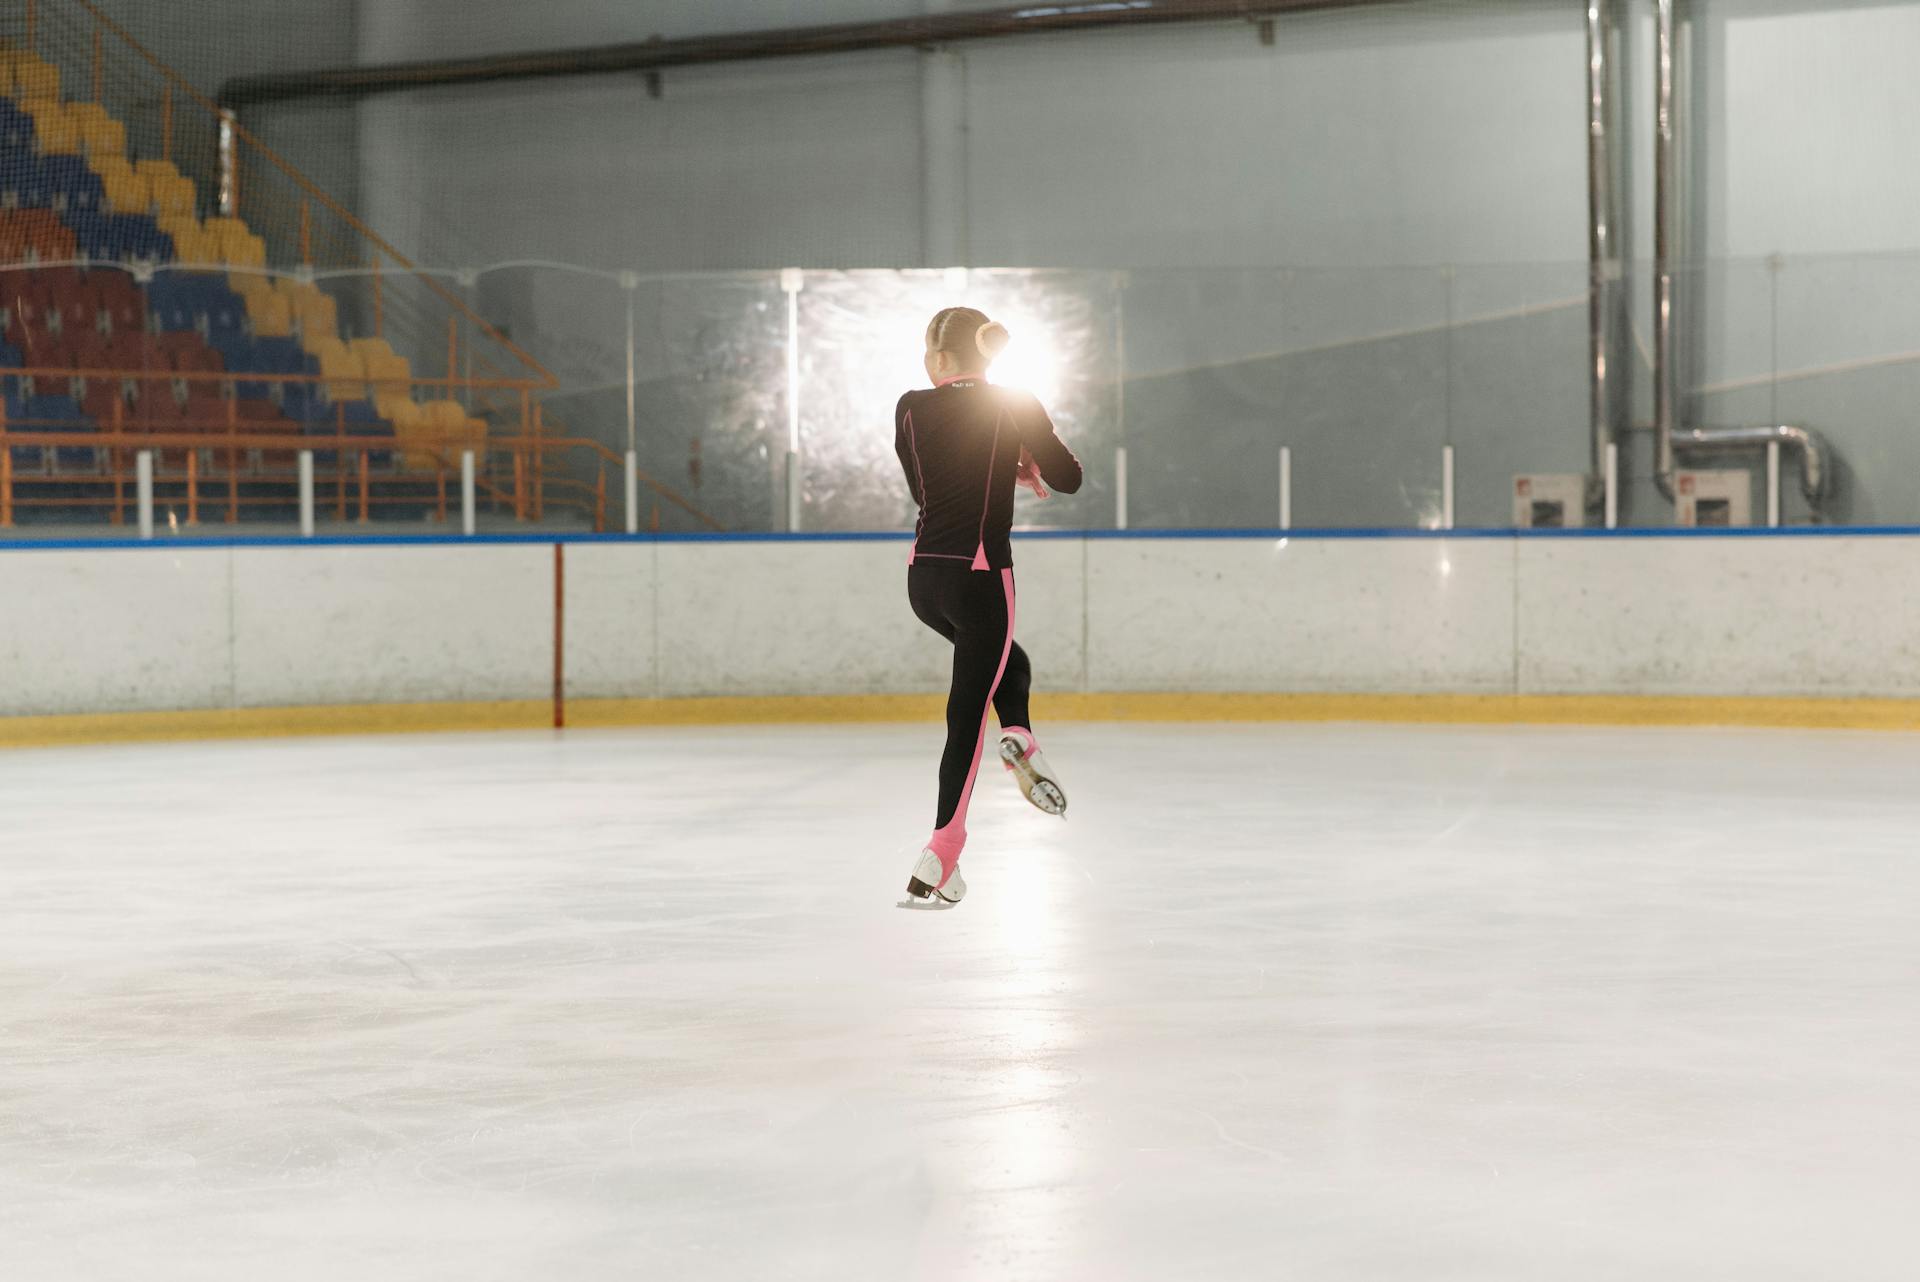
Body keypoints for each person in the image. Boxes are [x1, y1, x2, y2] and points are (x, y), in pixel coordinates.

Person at [894, 306, 1083, 904]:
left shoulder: (909, 406)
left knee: (1007, 664)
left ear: (940, 360)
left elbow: (925, 486)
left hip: (925, 581)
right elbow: (1069, 478)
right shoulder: (1013, 401)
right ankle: (943, 850)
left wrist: (1004, 460)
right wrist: (1022, 451)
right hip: (981, 579)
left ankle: (1022, 738)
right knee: (967, 713)